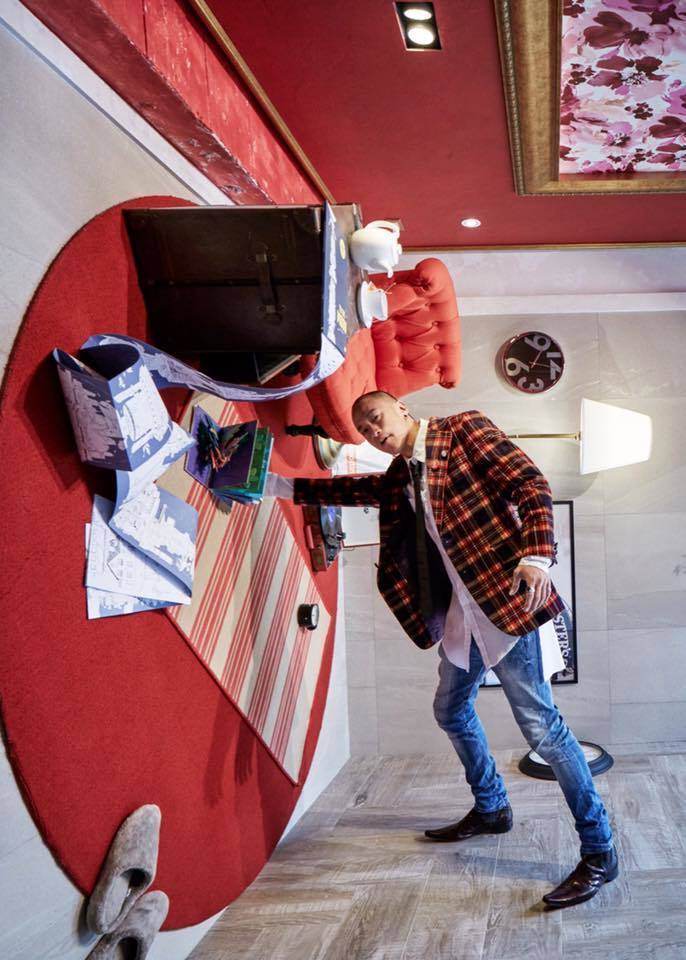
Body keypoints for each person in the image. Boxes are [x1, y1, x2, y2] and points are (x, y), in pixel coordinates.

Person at [266, 390, 617, 908]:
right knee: (451, 710)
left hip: (508, 604)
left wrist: (537, 556)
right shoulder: (400, 475)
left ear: (402, 409)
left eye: (376, 417)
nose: (374, 431)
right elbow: (353, 488)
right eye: (365, 429)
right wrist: (273, 484)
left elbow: (530, 482)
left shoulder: (462, 430)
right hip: (464, 615)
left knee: (543, 730)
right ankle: (492, 807)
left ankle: (600, 851)